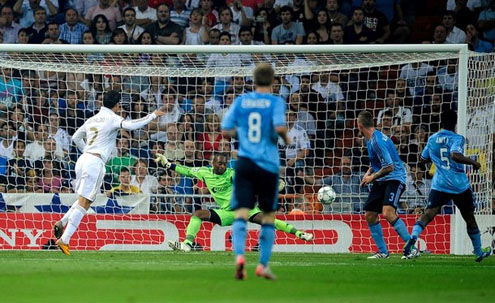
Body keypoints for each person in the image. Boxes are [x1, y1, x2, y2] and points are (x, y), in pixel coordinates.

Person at [52, 90, 164, 255]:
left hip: (83, 160)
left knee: (84, 199)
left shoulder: (92, 119)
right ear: (117, 105)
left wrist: (88, 151)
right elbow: (132, 125)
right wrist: (152, 115)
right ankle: (65, 239)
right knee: (85, 202)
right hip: (94, 162)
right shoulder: (113, 118)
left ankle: (61, 223)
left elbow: (75, 137)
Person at [156, 152, 312, 250]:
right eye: (220, 163)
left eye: (225, 163)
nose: (223, 166)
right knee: (198, 214)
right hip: (227, 213)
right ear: (213, 163)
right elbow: (187, 171)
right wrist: (168, 164)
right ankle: (187, 244)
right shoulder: (204, 172)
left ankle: (299, 233)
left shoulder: (232, 174)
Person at [221, 63, 291, 280]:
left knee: (241, 213)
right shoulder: (275, 101)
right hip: (268, 164)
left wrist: (244, 134)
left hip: (245, 163)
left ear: (253, 80)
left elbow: (225, 130)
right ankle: (262, 265)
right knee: (268, 216)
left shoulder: (242, 101)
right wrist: (286, 139)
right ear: (272, 81)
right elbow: (279, 128)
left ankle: (240, 257)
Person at [403, 110, 492, 262]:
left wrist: (436, 159)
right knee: (469, 217)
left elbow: (422, 159)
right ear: (455, 122)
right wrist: (473, 162)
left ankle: (413, 237)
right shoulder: (458, 138)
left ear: (441, 122)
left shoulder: (432, 139)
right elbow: (455, 154)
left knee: (429, 213)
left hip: (440, 184)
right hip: (459, 185)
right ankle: (478, 252)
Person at [357, 110, 417, 259]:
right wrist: (368, 173)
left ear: (359, 125)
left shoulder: (377, 141)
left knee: (388, 212)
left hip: (395, 178)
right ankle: (383, 252)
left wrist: (372, 177)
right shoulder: (370, 139)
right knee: (370, 215)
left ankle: (412, 249)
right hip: (382, 178)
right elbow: (376, 161)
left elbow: (389, 166)